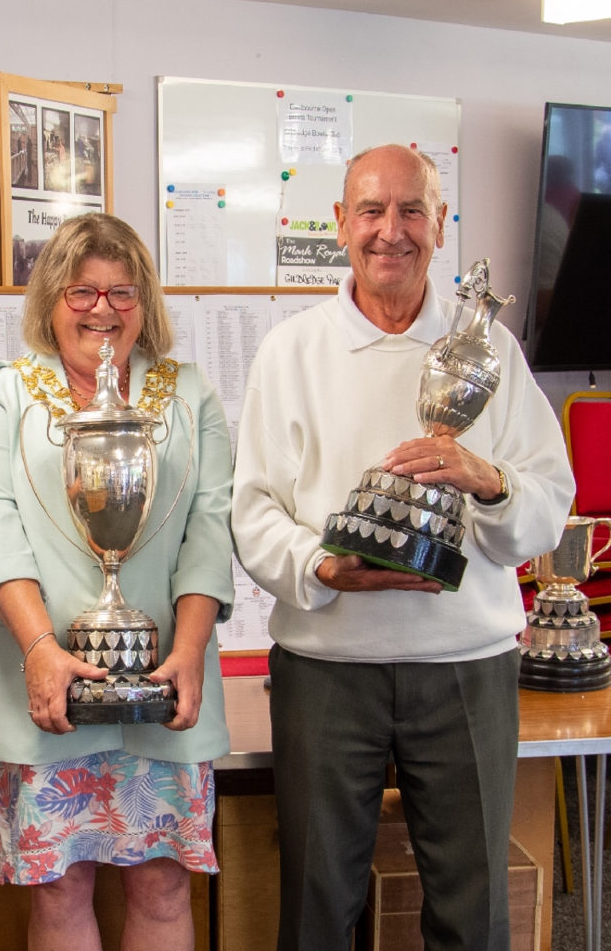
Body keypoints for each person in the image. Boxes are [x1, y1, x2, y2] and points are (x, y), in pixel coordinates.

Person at [231, 144, 574, 951]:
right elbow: (252, 512)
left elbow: (547, 507)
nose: (392, 231)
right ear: (341, 226)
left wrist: (484, 478)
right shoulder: (292, 351)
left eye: (412, 210)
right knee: (319, 903)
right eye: (373, 211)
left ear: (442, 224)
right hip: (326, 668)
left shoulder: (487, 351)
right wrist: (322, 565)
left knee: (474, 904)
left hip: (465, 665)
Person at [0, 212, 235, 951]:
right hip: (37, 684)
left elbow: (211, 524)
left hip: (169, 677)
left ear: (146, 304)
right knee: (58, 888)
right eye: (82, 291)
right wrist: (41, 649)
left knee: (164, 884)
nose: (103, 309)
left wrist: (192, 651)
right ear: (51, 299)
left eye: (122, 292)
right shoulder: (4, 394)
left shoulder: (190, 395)